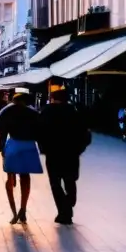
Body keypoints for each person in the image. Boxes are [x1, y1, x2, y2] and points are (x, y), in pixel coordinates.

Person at [38, 88, 91, 226]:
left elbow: (39, 132)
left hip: (53, 153)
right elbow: (86, 134)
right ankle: (69, 204)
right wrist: (79, 149)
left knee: (55, 183)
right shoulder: (75, 113)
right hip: (71, 154)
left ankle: (64, 211)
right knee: (70, 181)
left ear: (53, 99)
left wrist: (43, 148)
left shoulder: (46, 112)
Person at [0, 90, 43, 225]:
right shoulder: (33, 113)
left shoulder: (7, 112)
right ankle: (23, 209)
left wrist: (1, 148)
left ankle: (14, 212)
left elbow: (2, 132)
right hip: (29, 146)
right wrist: (40, 147)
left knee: (10, 177)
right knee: (25, 177)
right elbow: (39, 131)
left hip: (13, 144)